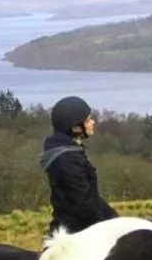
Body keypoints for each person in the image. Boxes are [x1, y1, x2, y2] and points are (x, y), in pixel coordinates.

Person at [40, 95, 119, 236]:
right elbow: (84, 206)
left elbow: (92, 198)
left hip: (80, 229)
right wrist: (112, 230)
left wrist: (116, 220)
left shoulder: (71, 151)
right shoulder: (68, 160)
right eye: (88, 120)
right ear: (76, 128)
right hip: (74, 235)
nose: (93, 122)